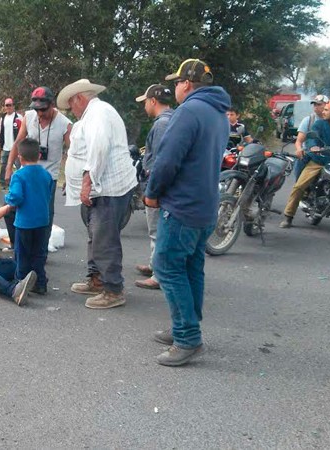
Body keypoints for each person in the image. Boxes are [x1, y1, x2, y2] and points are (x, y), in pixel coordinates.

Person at [144, 59, 230, 366]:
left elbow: (166, 161)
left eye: (177, 83)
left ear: (186, 84)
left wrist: (152, 193)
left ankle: (188, 338)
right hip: (206, 205)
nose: (175, 88)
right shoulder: (219, 113)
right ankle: (185, 326)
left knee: (166, 266)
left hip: (182, 205)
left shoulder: (189, 111)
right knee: (191, 267)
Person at [58, 79, 137, 309]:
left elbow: (98, 149)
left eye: (71, 104)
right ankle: (97, 279)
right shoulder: (93, 114)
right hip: (102, 187)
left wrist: (87, 182)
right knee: (96, 235)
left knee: (105, 238)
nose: (71, 109)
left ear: (80, 98)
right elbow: (82, 151)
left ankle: (113, 289)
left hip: (109, 188)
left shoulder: (99, 113)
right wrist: (75, 182)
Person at [4, 87, 72, 245]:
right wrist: (8, 168)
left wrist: (70, 177)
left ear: (52, 104)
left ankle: (40, 252)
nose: (40, 114)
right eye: (37, 110)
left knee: (45, 215)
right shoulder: (29, 117)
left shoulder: (65, 124)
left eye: (43, 109)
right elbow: (18, 142)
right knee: (10, 209)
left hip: (48, 177)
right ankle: (18, 245)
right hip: (26, 173)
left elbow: (72, 153)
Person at [280, 99, 330, 228]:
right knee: (299, 186)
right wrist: (313, 147)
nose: (323, 112)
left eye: (326, 110)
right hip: (318, 160)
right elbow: (312, 138)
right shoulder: (319, 124)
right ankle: (288, 216)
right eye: (323, 109)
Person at [133, 84, 175, 290]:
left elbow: (160, 161)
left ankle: (158, 275)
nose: (144, 107)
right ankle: (154, 265)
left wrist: (152, 191)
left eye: (145, 102)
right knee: (158, 230)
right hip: (165, 185)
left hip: (157, 184)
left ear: (153, 101)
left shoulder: (161, 125)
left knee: (157, 231)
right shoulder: (172, 119)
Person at [5, 138, 53, 295]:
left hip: (25, 222)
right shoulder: (46, 175)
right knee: (38, 254)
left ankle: (20, 282)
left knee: (22, 254)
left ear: (20, 157)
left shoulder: (18, 176)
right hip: (42, 221)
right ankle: (40, 283)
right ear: (39, 155)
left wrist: (8, 198)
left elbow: (16, 197)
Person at [293, 94, 329, 180]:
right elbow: (299, 141)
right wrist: (299, 149)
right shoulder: (308, 120)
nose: (316, 107)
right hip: (310, 155)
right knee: (299, 184)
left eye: (319, 104)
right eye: (314, 104)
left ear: (327, 105)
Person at [0, 98, 23, 186]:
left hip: (17, 148)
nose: (8, 107)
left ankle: (20, 183)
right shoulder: (3, 118)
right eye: (6, 105)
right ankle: (3, 184)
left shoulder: (19, 117)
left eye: (10, 105)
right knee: (4, 165)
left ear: (13, 106)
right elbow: (0, 131)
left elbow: (23, 131)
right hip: (6, 147)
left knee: (19, 166)